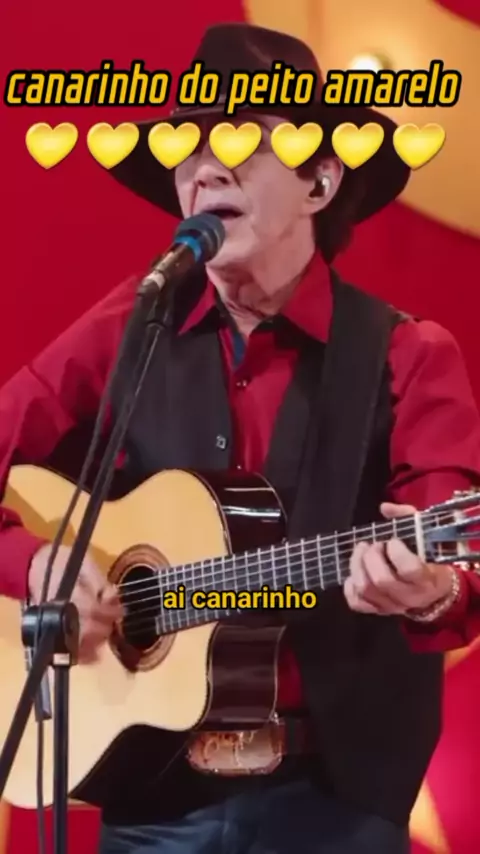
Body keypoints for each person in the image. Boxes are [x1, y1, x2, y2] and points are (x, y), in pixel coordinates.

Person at [2, 21, 480, 854]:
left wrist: (431, 586)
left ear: (320, 182)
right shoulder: (126, 327)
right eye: (188, 147)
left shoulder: (408, 354)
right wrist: (40, 563)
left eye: (241, 142)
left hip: (331, 803)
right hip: (146, 788)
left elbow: (458, 560)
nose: (205, 168)